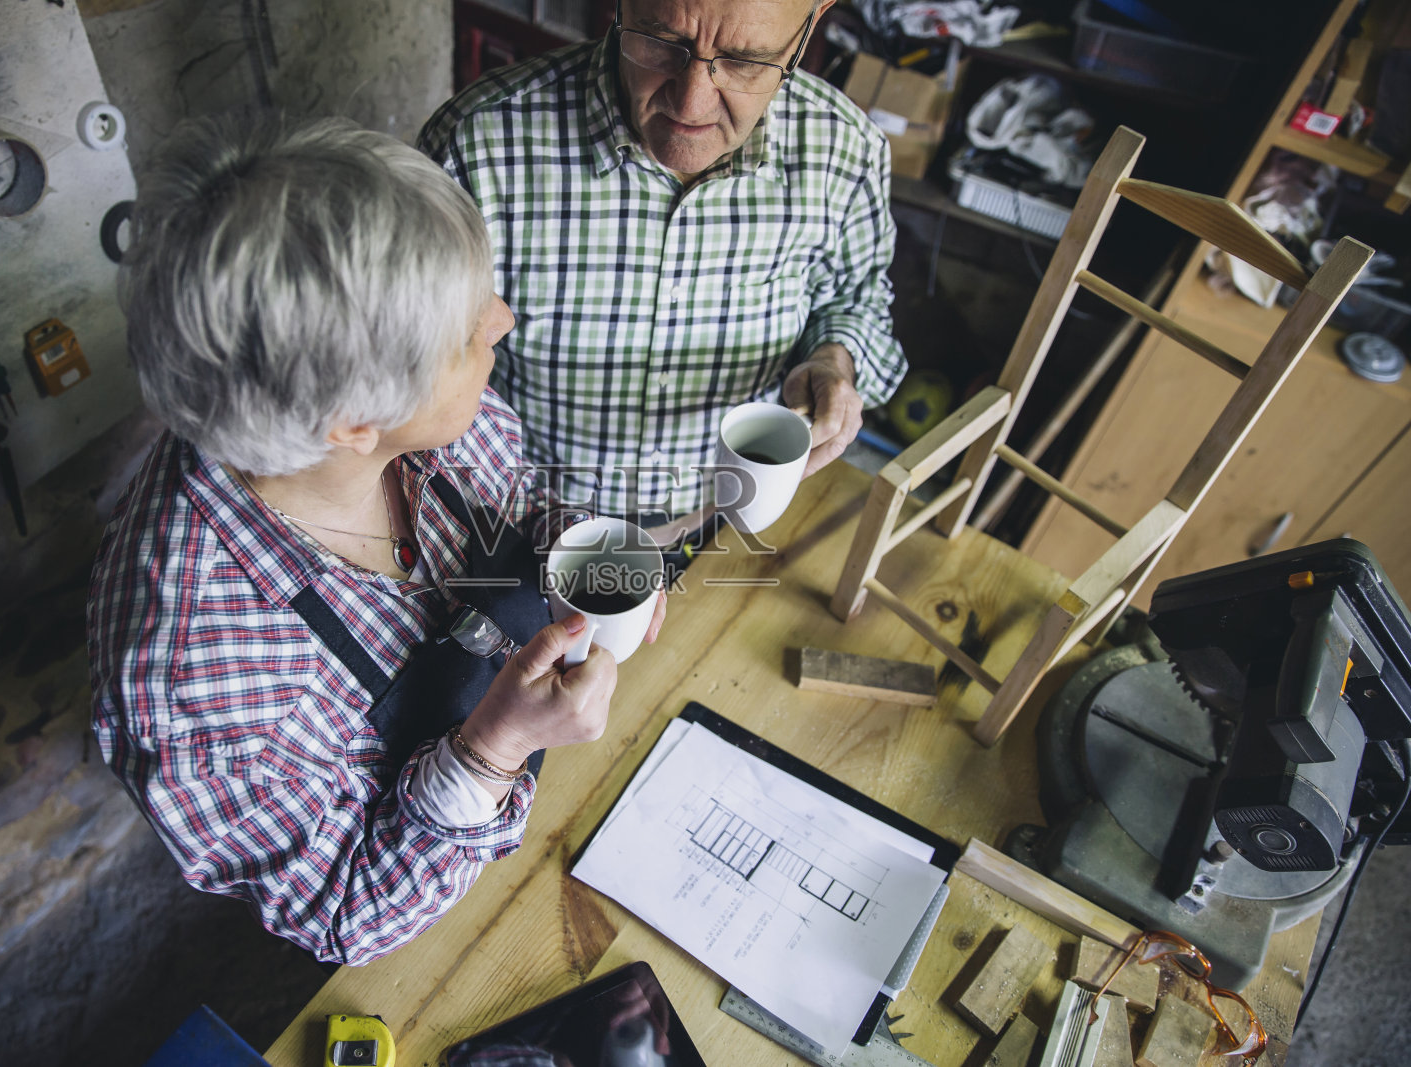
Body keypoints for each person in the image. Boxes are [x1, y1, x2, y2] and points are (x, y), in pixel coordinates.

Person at [87, 112, 663, 965]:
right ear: (356, 423)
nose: (502, 320)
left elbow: (521, 496)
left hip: (581, 775)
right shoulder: (196, 674)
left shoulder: (408, 409)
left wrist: (576, 548)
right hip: (438, 928)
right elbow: (346, 911)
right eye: (469, 334)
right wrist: (495, 746)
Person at [419, 0, 907, 537]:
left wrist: (835, 358)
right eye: (661, 41)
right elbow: (413, 372)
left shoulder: (845, 151)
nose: (691, 102)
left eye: (747, 61)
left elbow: (855, 297)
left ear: (811, 24)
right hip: (518, 527)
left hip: (727, 526)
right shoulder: (479, 142)